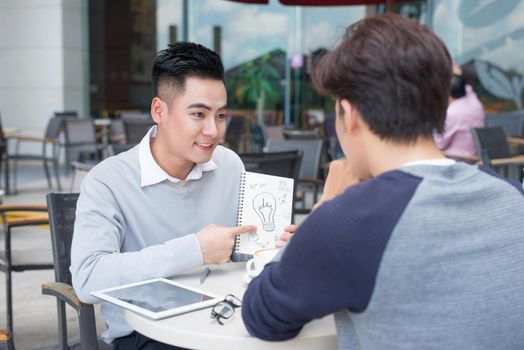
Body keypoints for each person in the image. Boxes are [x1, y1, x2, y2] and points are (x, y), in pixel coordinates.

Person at [242, 14, 524, 349]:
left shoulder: (350, 220)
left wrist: (323, 211)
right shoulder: (512, 196)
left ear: (352, 115)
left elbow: (261, 316)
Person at [70, 42, 261, 349]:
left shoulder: (230, 165)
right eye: (198, 114)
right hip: (145, 336)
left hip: (222, 323)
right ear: (159, 110)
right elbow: (88, 280)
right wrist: (194, 249)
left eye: (221, 115)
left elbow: (244, 254)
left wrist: (270, 248)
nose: (213, 130)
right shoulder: (107, 181)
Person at [434, 64, 484, 158]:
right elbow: (468, 89)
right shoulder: (475, 104)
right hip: (474, 157)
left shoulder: (452, 113)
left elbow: (439, 144)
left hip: (456, 160)